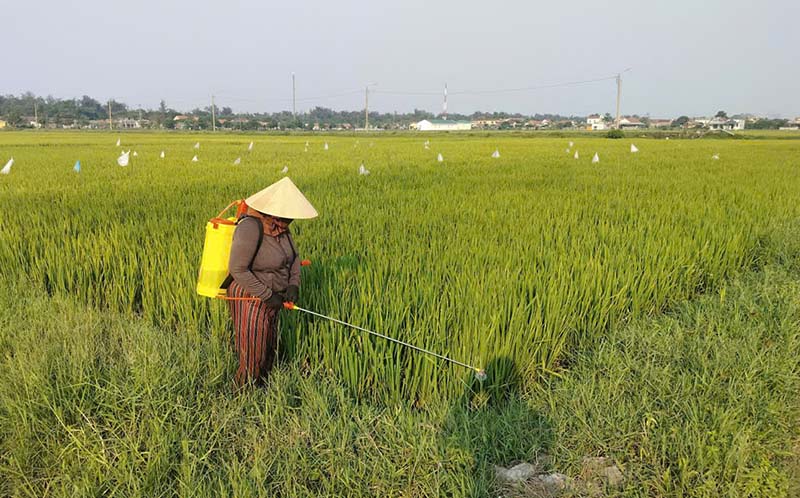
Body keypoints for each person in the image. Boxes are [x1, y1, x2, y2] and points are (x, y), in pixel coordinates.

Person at [227, 177, 318, 386]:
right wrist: (267, 295)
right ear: (274, 211)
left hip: (273, 298)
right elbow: (237, 269)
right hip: (250, 297)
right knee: (253, 354)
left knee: (269, 350)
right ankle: (242, 395)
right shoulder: (250, 228)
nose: (291, 221)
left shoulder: (281, 229)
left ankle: (263, 391)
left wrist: (293, 284)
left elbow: (294, 258)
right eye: (287, 215)